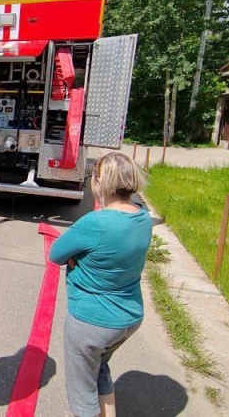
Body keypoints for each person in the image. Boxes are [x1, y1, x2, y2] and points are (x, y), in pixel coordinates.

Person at [48, 152, 151, 417]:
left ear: (99, 182)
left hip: (92, 322)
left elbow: (56, 253)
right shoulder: (142, 216)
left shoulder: (95, 223)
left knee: (82, 396)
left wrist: (75, 258)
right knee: (100, 369)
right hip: (128, 318)